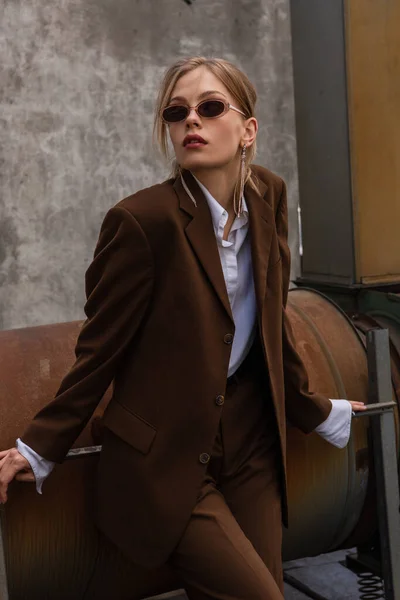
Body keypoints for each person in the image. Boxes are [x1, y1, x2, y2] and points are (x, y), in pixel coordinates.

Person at [0, 57, 366, 600]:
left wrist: (314, 407)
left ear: (247, 130)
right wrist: (38, 446)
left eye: (210, 106)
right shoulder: (141, 222)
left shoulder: (269, 196)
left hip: (251, 442)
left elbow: (271, 323)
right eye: (177, 112)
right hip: (166, 458)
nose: (191, 120)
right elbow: (98, 350)